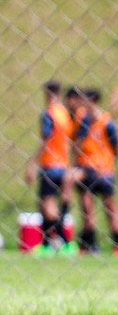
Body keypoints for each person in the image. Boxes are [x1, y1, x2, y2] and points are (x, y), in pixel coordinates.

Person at [23, 80, 77, 257]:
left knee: (47, 206)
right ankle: (50, 244)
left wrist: (32, 165)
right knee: (52, 205)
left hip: (49, 165)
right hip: (64, 165)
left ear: (47, 94)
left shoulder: (49, 114)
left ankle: (61, 243)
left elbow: (45, 140)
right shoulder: (66, 115)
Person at [71, 88, 118, 257]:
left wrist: (109, 162)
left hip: (104, 171)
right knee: (87, 210)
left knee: (111, 210)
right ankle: (91, 246)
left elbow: (117, 147)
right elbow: (75, 146)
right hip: (87, 169)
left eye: (85, 101)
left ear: (93, 101)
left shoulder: (107, 122)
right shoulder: (83, 121)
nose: (82, 105)